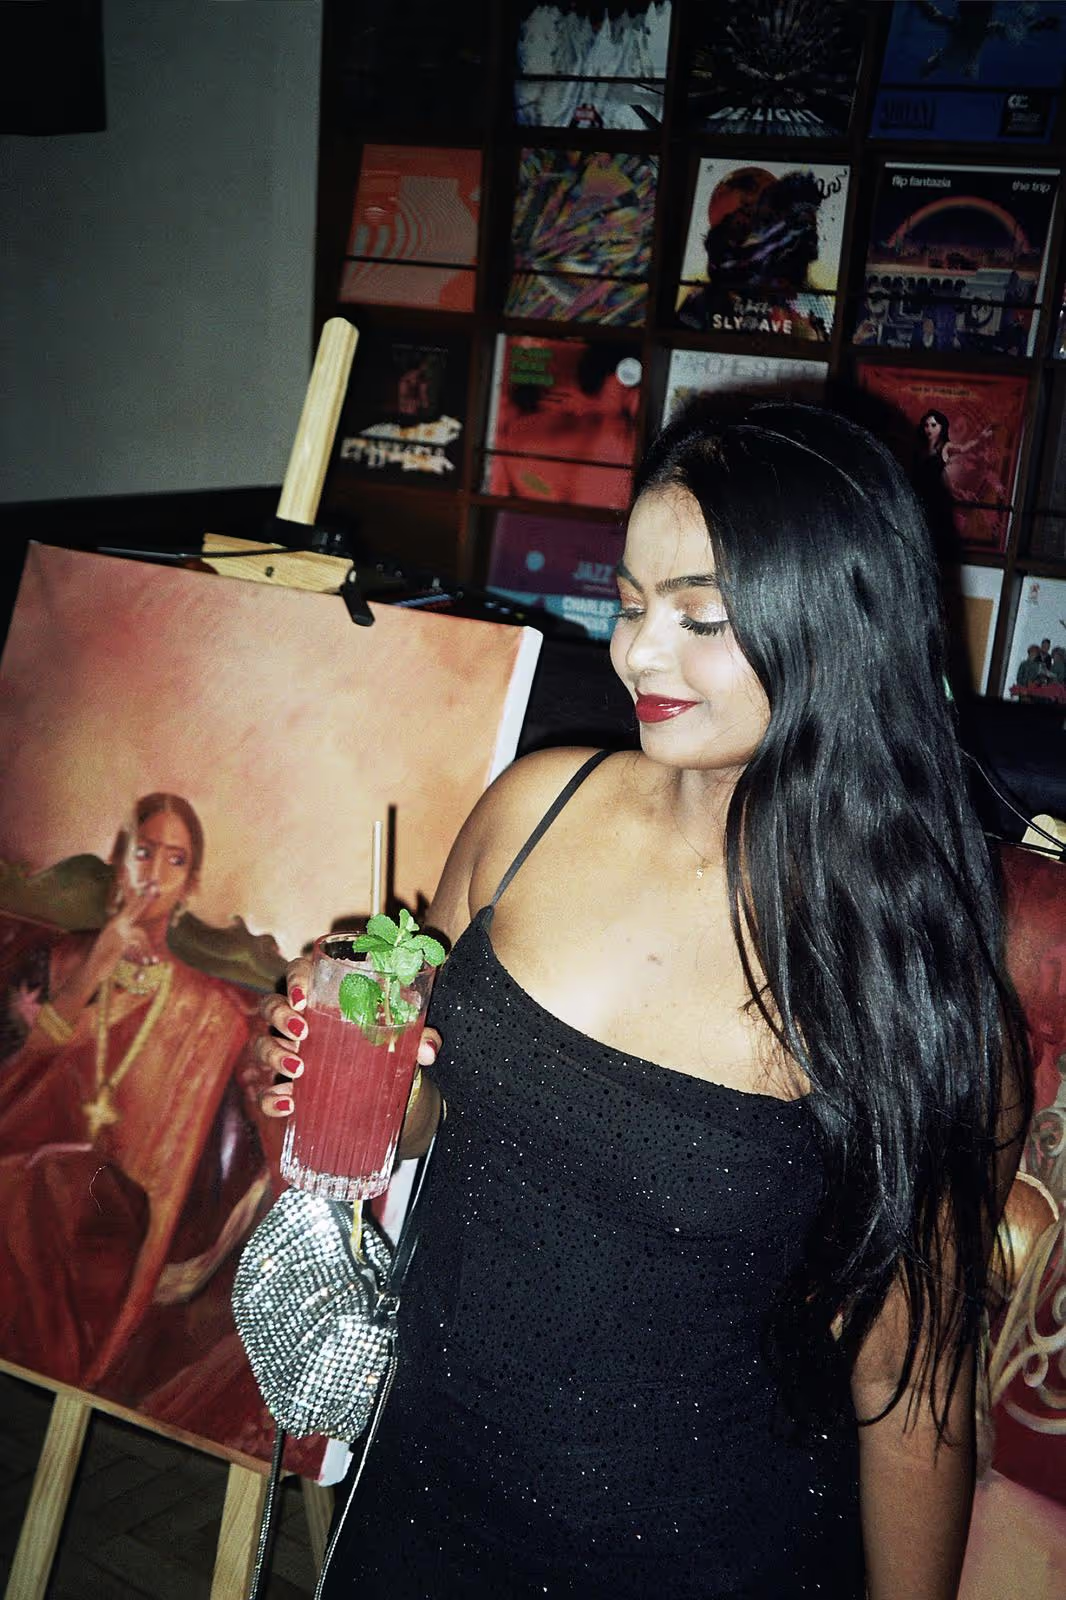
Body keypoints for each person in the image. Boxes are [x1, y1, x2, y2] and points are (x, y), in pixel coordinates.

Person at [256, 400, 1031, 1599]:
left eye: (700, 616)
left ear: (836, 628)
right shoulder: (536, 809)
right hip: (422, 1503)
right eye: (626, 602)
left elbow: (907, 1384)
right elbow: (430, 1111)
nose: (636, 654)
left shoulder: (902, 975)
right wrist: (338, 1064)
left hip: (703, 1562)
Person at [0, 793, 267, 1403]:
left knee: (61, 1189)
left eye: (175, 861)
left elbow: (200, 1179)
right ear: (119, 860)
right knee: (36, 1184)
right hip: (26, 1176)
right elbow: (17, 1079)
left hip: (114, 1222)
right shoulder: (60, 958)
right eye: (143, 852)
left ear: (191, 884)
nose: (154, 874)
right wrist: (95, 964)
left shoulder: (212, 1015)